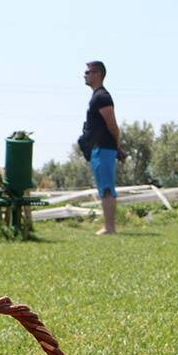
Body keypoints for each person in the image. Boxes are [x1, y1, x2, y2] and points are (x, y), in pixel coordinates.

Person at [80, 60, 123, 235]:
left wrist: (117, 146)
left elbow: (112, 125)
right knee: (103, 187)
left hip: (104, 149)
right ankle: (109, 226)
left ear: (98, 74)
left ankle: (109, 228)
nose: (85, 74)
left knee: (106, 189)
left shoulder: (102, 97)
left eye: (88, 72)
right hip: (100, 150)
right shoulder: (96, 97)